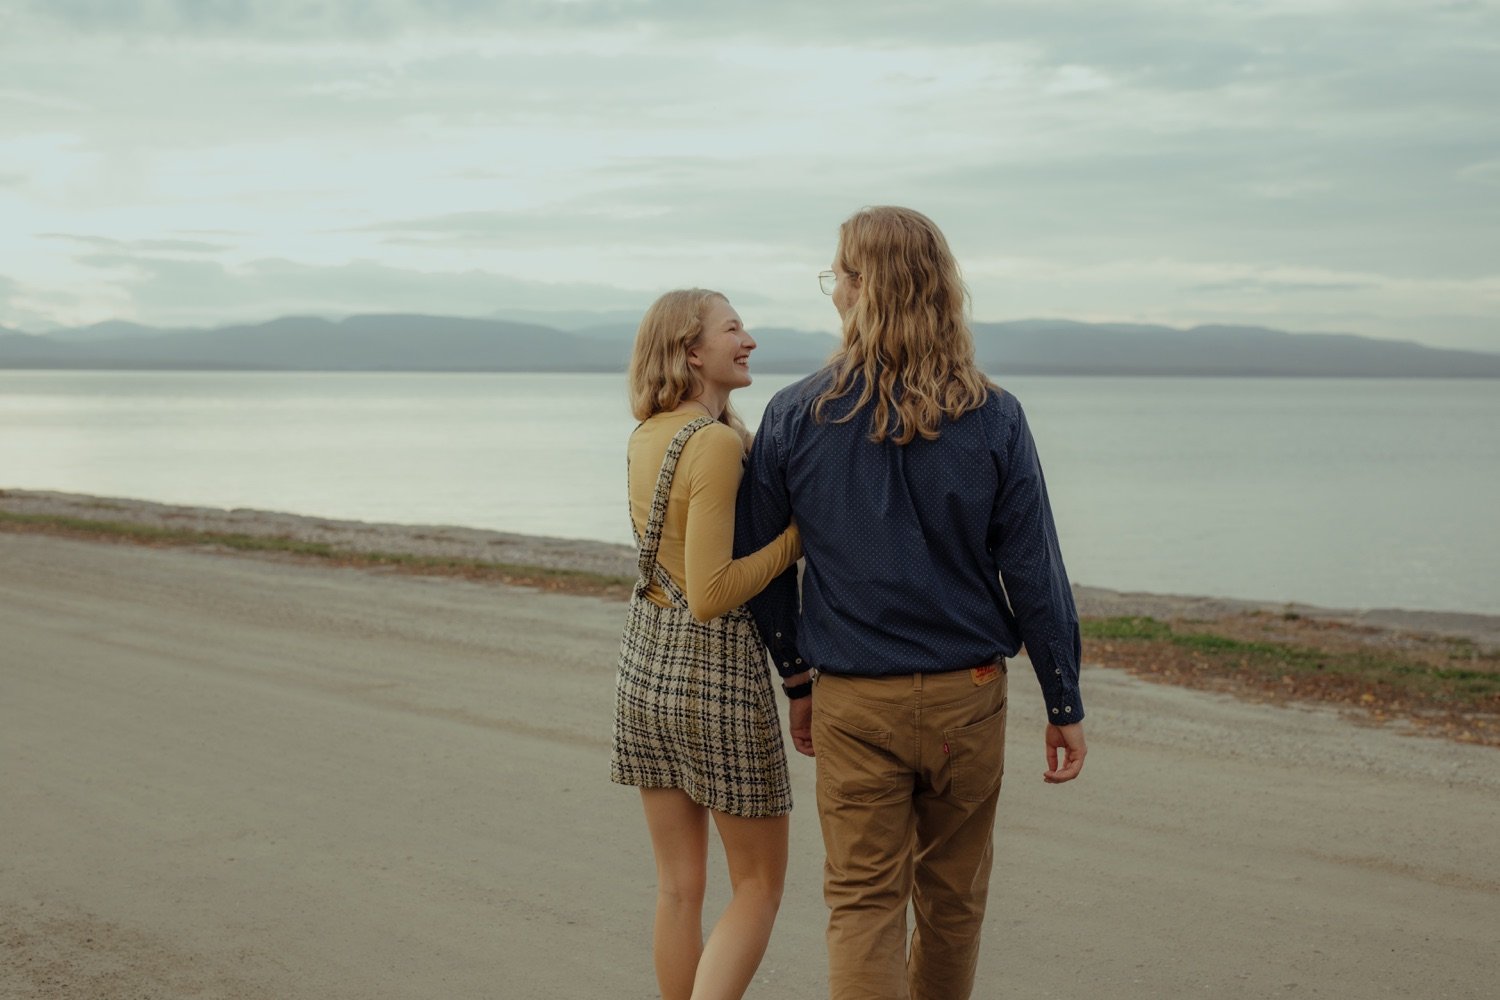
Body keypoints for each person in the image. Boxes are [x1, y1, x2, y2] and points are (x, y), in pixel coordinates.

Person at [735, 206, 1088, 1000]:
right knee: (953, 901)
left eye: (837, 278)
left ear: (860, 290)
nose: (834, 293)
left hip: (855, 698)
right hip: (967, 696)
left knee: (863, 902)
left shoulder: (795, 413)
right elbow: (1033, 571)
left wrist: (796, 679)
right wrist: (1063, 698)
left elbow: (758, 570)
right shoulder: (994, 415)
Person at [610, 288, 814, 1000]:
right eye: (734, 329)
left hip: (644, 676)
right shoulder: (717, 443)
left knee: (678, 889)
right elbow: (712, 591)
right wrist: (795, 540)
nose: (750, 339)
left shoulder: (645, 434)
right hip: (714, 680)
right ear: (692, 351)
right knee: (757, 888)